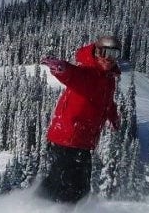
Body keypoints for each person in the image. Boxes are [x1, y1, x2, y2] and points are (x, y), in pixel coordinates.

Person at [37, 36, 122, 203]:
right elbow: (73, 75)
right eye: (105, 52)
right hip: (68, 138)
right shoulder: (89, 73)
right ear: (97, 52)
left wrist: (113, 117)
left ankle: (31, 205)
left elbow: (106, 101)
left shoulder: (108, 79)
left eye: (114, 54)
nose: (109, 58)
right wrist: (60, 68)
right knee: (73, 190)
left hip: (82, 141)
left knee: (65, 185)